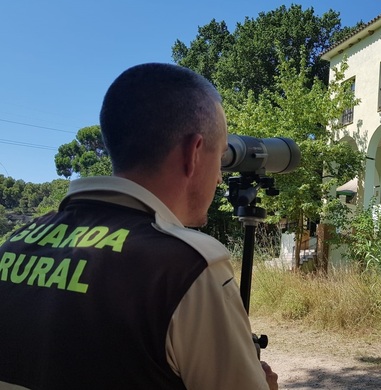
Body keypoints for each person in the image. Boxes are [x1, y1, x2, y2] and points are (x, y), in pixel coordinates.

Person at [0, 63, 278, 390]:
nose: (219, 178)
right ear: (194, 153)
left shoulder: (12, 246)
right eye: (218, 160)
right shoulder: (187, 269)